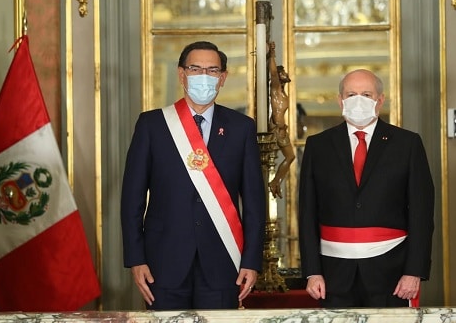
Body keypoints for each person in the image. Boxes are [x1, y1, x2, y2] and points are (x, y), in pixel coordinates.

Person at [121, 41, 266, 310]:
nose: (204, 76)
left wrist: (251, 261)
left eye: (212, 70)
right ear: (181, 74)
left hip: (224, 260)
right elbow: (132, 199)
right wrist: (135, 258)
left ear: (223, 78)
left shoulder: (241, 128)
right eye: (195, 69)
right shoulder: (152, 125)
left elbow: (255, 203)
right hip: (162, 261)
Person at [298, 69, 434, 308]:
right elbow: (307, 213)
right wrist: (312, 271)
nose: (358, 101)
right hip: (334, 274)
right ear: (340, 100)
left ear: (380, 100)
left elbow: (421, 214)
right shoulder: (318, 146)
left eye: (366, 94)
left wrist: (414, 271)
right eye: (351, 94)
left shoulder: (407, 144)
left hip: (391, 272)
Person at [267, 41, 295, 199]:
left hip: (281, 128)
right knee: (290, 156)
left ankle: (276, 181)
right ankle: (275, 182)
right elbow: (272, 73)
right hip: (278, 130)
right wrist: (272, 54)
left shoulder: (282, 92)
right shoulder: (276, 89)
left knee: (290, 156)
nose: (286, 73)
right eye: (283, 72)